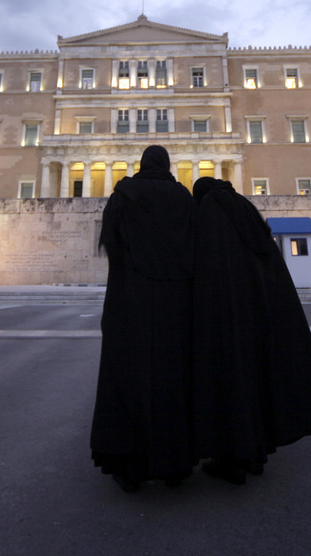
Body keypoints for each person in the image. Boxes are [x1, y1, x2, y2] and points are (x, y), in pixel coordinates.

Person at [190, 177, 311, 485]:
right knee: (259, 379)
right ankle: (257, 453)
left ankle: (233, 459)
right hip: (259, 312)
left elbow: (204, 262)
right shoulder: (245, 207)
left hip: (225, 314)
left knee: (232, 384)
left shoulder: (208, 210)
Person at [90, 145, 197, 493]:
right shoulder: (182, 195)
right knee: (173, 379)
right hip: (175, 300)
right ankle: (175, 464)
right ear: (166, 165)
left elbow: (110, 243)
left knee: (130, 377)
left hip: (132, 299)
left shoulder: (124, 192)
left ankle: (131, 465)